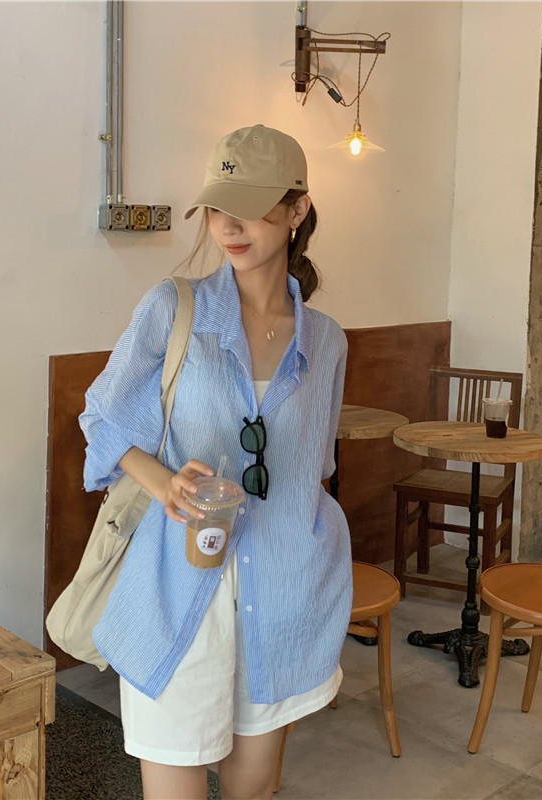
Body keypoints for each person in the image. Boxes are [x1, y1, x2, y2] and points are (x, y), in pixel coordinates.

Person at [80, 124, 353, 800]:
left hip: (285, 592)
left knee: (252, 790)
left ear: (297, 209)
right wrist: (163, 482)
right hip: (177, 586)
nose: (228, 225)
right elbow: (102, 416)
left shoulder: (326, 342)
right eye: (217, 206)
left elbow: (313, 469)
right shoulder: (174, 309)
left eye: (251, 206)